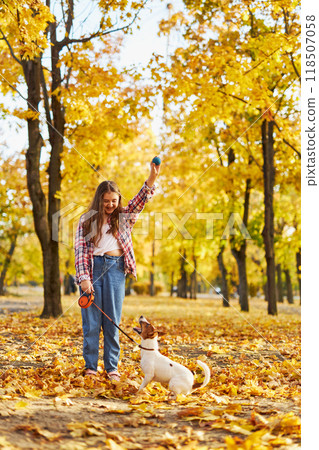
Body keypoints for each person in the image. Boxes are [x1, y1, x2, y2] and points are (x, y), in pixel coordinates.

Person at [74, 161, 160, 380]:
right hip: (92, 269)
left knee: (112, 323)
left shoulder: (124, 217)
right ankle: (91, 367)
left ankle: (112, 368)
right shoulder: (86, 220)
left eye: (114, 200)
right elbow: (80, 251)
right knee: (92, 323)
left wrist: (151, 178)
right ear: (99, 200)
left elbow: (140, 201)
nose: (110, 205)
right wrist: (84, 279)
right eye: (106, 201)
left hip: (115, 269)